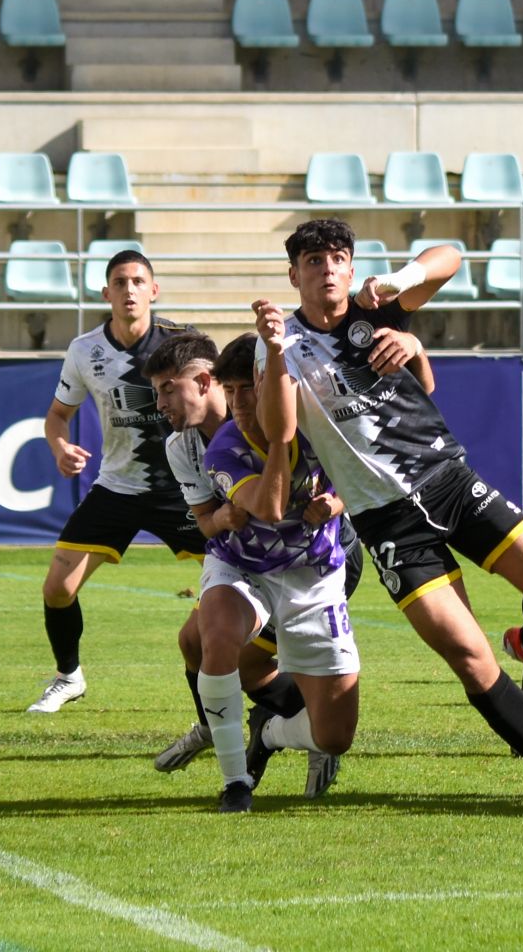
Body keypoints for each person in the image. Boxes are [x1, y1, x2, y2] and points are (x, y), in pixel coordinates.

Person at [256, 218, 523, 814]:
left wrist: (401, 296)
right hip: (387, 525)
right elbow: (279, 432)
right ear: (294, 276)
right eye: (313, 261)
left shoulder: (378, 303)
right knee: (468, 657)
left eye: (337, 258)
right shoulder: (283, 341)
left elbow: (450, 256)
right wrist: (277, 353)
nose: (327, 269)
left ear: (352, 268)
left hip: (449, 484)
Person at [145, 331, 373, 791]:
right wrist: (224, 516)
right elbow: (206, 523)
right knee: (198, 642)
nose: (161, 404)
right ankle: (221, 731)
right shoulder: (183, 447)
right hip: (248, 562)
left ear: (206, 382)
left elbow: (365, 467)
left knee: (247, 666)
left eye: (168, 389)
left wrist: (337, 500)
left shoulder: (287, 411)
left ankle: (290, 733)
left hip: (320, 558)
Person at [30, 251, 207, 722]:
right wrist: (59, 447)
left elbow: (218, 403)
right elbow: (56, 417)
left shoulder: (186, 343)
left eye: (138, 281)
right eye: (119, 282)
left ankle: (246, 680)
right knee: (57, 588)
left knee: (245, 582)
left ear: (154, 290)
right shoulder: (84, 350)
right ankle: (69, 676)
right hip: (119, 487)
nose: (129, 289)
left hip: (186, 487)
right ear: (105, 293)